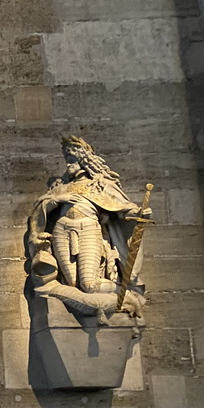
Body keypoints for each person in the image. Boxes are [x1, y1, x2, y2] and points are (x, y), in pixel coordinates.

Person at [26, 135, 150, 317]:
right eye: (67, 161)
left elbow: (122, 208)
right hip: (62, 231)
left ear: (84, 161)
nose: (68, 165)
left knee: (90, 285)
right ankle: (95, 305)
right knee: (72, 284)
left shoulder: (99, 185)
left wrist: (139, 213)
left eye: (72, 161)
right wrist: (57, 200)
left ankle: (125, 295)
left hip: (88, 229)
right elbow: (40, 207)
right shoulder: (62, 187)